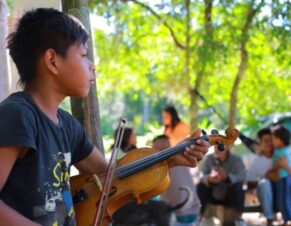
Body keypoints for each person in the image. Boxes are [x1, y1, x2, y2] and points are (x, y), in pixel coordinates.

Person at [0, 8, 209, 226]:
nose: (92, 65)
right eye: (83, 55)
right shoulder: (18, 116)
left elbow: (112, 177)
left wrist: (171, 158)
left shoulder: (67, 125)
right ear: (52, 60)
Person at [247, 127, 291, 226]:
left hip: (285, 190)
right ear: (260, 143)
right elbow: (251, 183)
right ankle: (270, 219)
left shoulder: (285, 154)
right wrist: (268, 177)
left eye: (271, 140)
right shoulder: (258, 160)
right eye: (265, 141)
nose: (269, 143)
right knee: (264, 183)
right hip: (268, 195)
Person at [152, 135, 201, 226]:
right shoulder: (181, 157)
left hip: (177, 215)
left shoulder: (160, 164)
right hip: (195, 211)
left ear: (155, 147)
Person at [197, 144, 246, 226]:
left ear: (227, 147)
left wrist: (227, 177)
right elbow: (201, 175)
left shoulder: (236, 159)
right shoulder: (209, 158)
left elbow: (243, 176)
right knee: (201, 186)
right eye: (215, 146)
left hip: (230, 195)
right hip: (213, 192)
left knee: (238, 187)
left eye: (220, 146)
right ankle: (199, 218)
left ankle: (238, 218)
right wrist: (209, 178)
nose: (217, 148)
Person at [268, 126, 291, 226]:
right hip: (279, 180)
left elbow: (289, 168)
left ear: (281, 140)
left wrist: (277, 167)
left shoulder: (286, 151)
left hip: (285, 179)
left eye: (274, 138)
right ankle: (286, 220)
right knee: (281, 201)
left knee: (285, 201)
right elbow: (276, 166)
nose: (272, 141)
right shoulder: (277, 151)